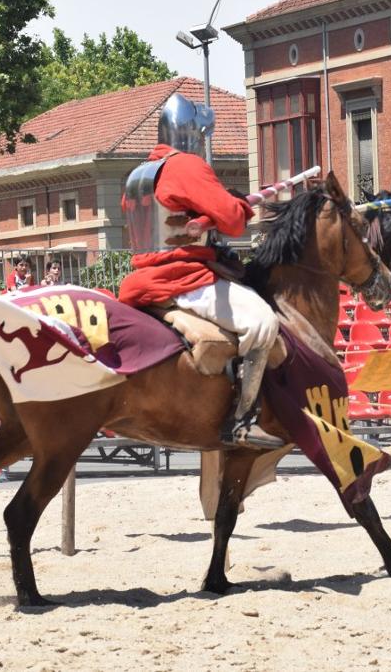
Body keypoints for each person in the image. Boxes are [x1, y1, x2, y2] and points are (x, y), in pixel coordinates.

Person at [119, 92, 282, 449]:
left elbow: (181, 217)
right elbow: (235, 221)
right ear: (191, 134)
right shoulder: (186, 166)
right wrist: (235, 206)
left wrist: (209, 216)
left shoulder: (139, 174)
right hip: (182, 278)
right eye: (201, 136)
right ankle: (243, 419)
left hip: (140, 281)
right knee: (263, 322)